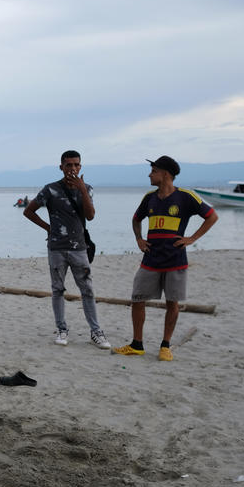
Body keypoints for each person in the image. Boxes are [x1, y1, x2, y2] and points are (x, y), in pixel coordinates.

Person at [112, 156, 219, 361]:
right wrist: (139, 239)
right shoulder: (149, 198)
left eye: (153, 171)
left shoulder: (186, 197)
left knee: (172, 303)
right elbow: (136, 219)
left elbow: (212, 216)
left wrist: (192, 238)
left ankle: (165, 346)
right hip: (150, 259)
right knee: (137, 299)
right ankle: (137, 344)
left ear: (166, 174)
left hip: (175, 259)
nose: (150, 174)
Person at [23, 150, 111, 349]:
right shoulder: (50, 190)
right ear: (61, 167)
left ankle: (96, 332)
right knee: (58, 289)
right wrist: (48, 227)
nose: (72, 168)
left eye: (76, 165)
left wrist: (81, 189)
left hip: (79, 248)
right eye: (68, 165)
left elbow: (90, 216)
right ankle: (62, 329)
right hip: (56, 248)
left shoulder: (86, 188)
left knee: (87, 289)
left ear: (81, 167)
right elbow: (29, 211)